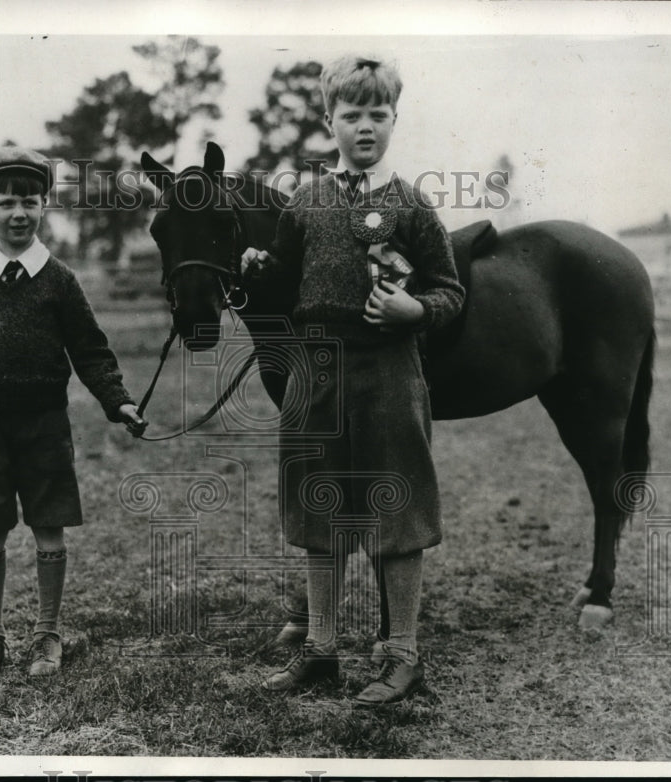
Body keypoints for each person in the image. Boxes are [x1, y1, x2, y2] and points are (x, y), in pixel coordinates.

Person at [242, 56, 465, 705]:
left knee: (397, 512)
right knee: (320, 512)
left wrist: (416, 310)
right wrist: (260, 267)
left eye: (377, 114)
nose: (365, 126)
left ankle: (403, 657)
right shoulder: (305, 202)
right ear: (329, 120)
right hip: (315, 371)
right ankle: (319, 651)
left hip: (390, 370)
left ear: (394, 119)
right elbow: (286, 282)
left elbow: (451, 290)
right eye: (351, 114)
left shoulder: (411, 204)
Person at [0, 146, 145, 678]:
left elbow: (90, 349)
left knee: (49, 527)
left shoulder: (59, 279)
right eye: (6, 203)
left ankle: (47, 635)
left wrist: (116, 398)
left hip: (45, 422)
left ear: (44, 204)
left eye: (30, 201)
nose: (19, 213)